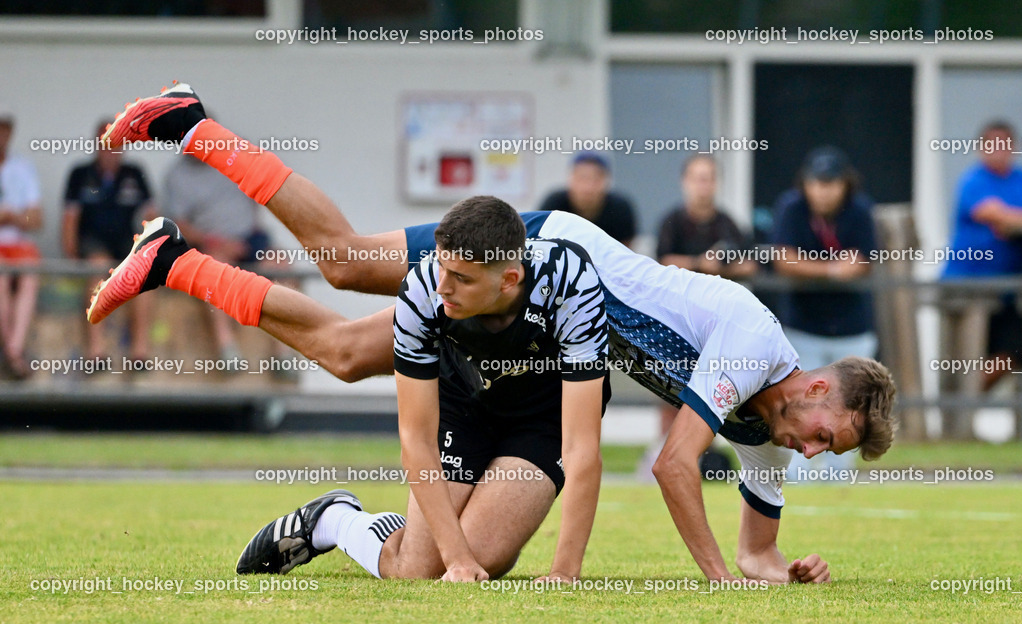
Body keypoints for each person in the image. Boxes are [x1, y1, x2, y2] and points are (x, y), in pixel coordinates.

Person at [93, 83, 899, 585]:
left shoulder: (768, 436)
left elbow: (758, 554)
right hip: (549, 259)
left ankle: (174, 261)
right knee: (343, 262)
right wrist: (719, 580)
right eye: (829, 435)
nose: (815, 451)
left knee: (342, 353)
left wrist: (785, 570)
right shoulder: (754, 340)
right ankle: (193, 124)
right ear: (817, 386)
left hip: (547, 346)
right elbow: (675, 463)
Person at [640, 155, 757, 480]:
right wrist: (699, 263)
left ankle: (707, 460)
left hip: (717, 329)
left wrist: (723, 265)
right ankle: (663, 458)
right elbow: (662, 262)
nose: (703, 185)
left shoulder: (728, 223)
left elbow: (751, 263)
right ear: (685, 182)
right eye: (697, 178)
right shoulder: (673, 221)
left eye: (709, 178)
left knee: (715, 395)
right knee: (670, 392)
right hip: (677, 324)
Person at [771, 146, 879, 480]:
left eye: (831, 183)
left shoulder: (860, 209)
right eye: (817, 182)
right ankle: (798, 475)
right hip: (803, 326)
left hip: (852, 327)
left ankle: (839, 477)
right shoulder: (791, 207)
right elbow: (784, 260)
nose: (823, 190)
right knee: (802, 404)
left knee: (850, 404)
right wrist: (832, 270)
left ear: (845, 184)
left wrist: (812, 267)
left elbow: (862, 263)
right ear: (805, 183)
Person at [163, 152, 279, 365]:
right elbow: (179, 225)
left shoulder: (237, 156)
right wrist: (216, 241)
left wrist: (251, 230)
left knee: (279, 263)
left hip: (249, 240)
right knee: (213, 269)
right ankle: (227, 348)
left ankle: (283, 353)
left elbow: (258, 192)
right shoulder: (178, 176)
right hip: (210, 244)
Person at [62, 121, 157, 363]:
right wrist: (71, 257)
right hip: (91, 241)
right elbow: (70, 220)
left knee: (143, 272)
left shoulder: (134, 173)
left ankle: (140, 352)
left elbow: (152, 215)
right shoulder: (80, 174)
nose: (111, 150)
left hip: (124, 240)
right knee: (98, 265)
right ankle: (96, 351)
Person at [941, 120, 1022, 391]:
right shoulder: (973, 181)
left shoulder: (1020, 180)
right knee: (965, 354)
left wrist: (1011, 221)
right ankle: (961, 397)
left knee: (1014, 350)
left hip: (1006, 292)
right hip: (966, 288)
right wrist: (1010, 220)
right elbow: (992, 213)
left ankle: (968, 393)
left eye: (1004, 145)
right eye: (992, 145)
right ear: (981, 148)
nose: (999, 151)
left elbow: (1007, 220)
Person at [0, 105, 43, 380]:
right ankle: (14, 354)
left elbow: (35, 219)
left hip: (17, 246)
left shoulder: (22, 168)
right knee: (1, 279)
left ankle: (12, 351)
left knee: (30, 274)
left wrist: (13, 217)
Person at [539, 152, 637, 248]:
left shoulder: (620, 209)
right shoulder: (554, 206)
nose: (588, 187)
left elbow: (625, 251)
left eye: (595, 179)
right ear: (571, 179)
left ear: (606, 181)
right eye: (582, 178)